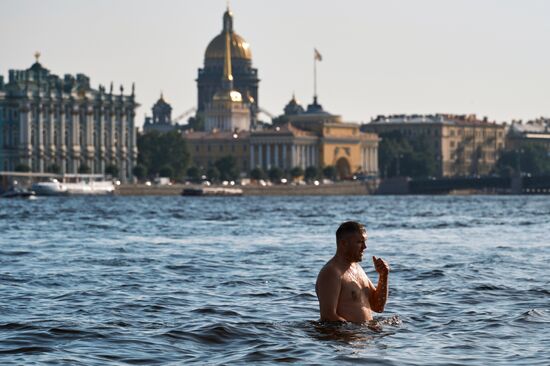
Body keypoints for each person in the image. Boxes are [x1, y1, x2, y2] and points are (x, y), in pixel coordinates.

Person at [315, 221, 390, 323]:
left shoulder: (358, 269)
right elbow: (328, 317)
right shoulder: (331, 273)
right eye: (359, 242)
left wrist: (383, 276)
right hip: (347, 337)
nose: (365, 247)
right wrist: (354, 332)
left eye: (364, 242)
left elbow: (378, 306)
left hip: (363, 336)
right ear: (344, 243)